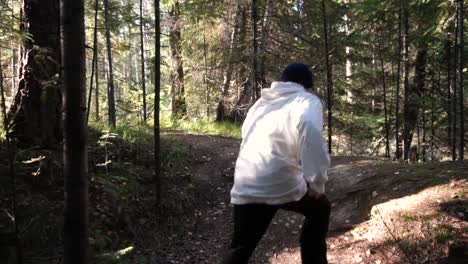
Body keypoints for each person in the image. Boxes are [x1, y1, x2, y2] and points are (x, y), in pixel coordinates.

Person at [222, 63, 331, 264]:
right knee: (320, 208)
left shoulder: (261, 103)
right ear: (306, 85)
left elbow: (246, 132)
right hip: (281, 183)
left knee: (240, 247)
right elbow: (311, 132)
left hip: (246, 184)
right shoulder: (306, 100)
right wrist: (316, 182)